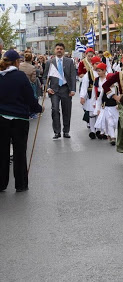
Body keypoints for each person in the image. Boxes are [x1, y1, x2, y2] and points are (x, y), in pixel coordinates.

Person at [0, 50, 43, 192]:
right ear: (17, 62)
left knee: (2, 152)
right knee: (19, 152)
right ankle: (21, 184)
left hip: (2, 119)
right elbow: (29, 97)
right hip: (19, 119)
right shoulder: (20, 76)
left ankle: (1, 183)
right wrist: (38, 108)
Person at [44, 43, 77, 139]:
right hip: (54, 90)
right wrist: (48, 88)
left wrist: (73, 89)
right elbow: (45, 77)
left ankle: (66, 131)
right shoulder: (49, 62)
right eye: (57, 48)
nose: (59, 50)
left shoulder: (69, 61)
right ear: (54, 50)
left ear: (64, 50)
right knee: (55, 110)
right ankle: (57, 132)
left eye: (61, 49)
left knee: (66, 110)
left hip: (66, 89)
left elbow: (72, 76)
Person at [93, 63, 118, 146]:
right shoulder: (104, 89)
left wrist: (119, 105)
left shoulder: (117, 89)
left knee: (115, 122)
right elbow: (99, 99)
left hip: (115, 108)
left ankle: (111, 134)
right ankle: (113, 137)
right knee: (110, 122)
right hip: (106, 108)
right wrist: (98, 109)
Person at [79, 56, 102, 139]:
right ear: (92, 65)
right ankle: (92, 130)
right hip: (91, 97)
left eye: (99, 63)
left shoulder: (103, 72)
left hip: (100, 96)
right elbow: (84, 86)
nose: (98, 65)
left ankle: (99, 130)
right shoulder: (88, 74)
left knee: (99, 114)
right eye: (96, 63)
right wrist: (82, 97)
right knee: (92, 114)